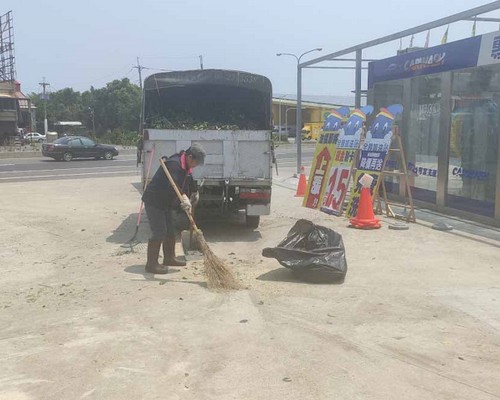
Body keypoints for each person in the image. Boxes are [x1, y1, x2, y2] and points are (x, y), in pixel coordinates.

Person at [142, 144, 206, 274]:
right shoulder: (174, 165)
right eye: (196, 162)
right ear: (189, 157)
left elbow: (188, 180)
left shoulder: (186, 165)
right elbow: (173, 185)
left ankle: (169, 258)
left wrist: (194, 192)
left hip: (166, 203)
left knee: (170, 231)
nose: (196, 165)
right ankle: (151, 264)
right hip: (155, 201)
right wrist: (183, 198)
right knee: (159, 231)